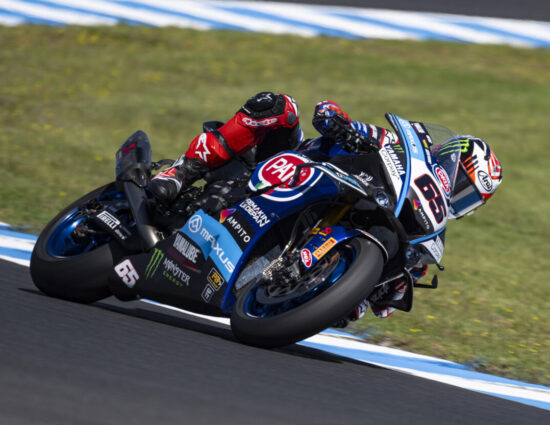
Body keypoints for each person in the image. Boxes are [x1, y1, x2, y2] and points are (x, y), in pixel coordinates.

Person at [150, 92, 503, 324]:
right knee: (279, 107)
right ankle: (180, 173)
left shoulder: (423, 238)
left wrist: (376, 291)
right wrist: (339, 122)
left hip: (320, 227)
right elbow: (334, 118)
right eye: (462, 183)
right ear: (448, 156)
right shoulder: (398, 146)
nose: (457, 196)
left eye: (469, 199)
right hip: (291, 166)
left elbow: (378, 308)